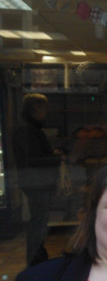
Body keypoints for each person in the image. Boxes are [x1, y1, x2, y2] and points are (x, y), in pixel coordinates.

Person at [12, 93, 64, 267]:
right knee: (38, 224)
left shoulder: (28, 128)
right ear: (36, 109)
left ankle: (38, 258)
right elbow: (33, 159)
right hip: (36, 182)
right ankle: (35, 261)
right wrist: (55, 158)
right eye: (43, 108)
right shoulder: (27, 130)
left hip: (35, 181)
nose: (46, 112)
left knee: (39, 222)